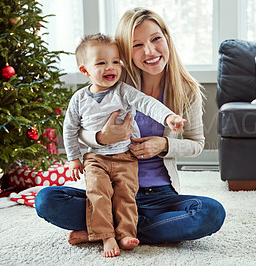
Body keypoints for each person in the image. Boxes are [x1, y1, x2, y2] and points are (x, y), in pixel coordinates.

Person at [35, 7, 225, 248]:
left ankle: (107, 229)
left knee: (210, 212)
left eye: (156, 38)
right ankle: (125, 227)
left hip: (159, 195)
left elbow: (196, 144)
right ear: (125, 51)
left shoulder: (186, 89)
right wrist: (102, 137)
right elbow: (78, 128)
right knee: (46, 200)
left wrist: (164, 144)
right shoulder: (113, 80)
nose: (150, 51)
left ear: (167, 38)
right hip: (111, 190)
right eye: (137, 45)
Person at [63, 33, 185, 257]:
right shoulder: (79, 99)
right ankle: (106, 235)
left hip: (125, 157)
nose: (110, 67)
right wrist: (73, 158)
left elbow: (148, 104)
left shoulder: (123, 91)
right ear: (85, 70)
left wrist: (169, 118)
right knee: (97, 193)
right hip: (96, 159)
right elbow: (70, 129)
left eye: (115, 62)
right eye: (101, 63)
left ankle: (126, 233)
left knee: (125, 195)